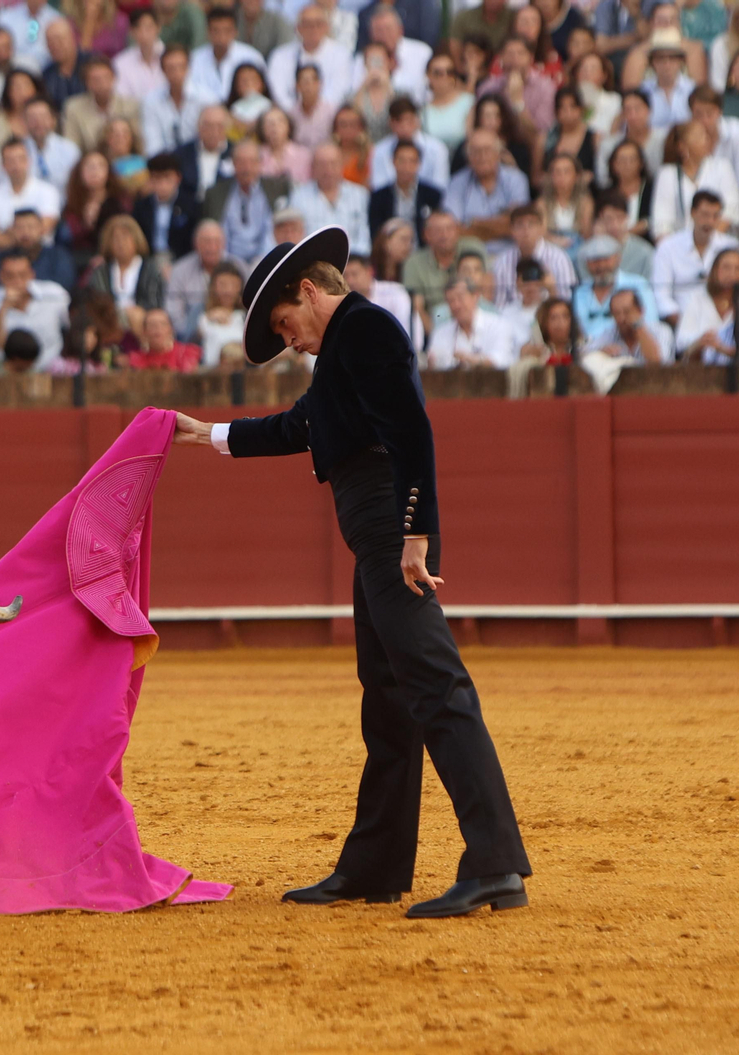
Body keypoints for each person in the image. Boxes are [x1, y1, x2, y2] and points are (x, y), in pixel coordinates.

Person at [172, 225, 531, 918]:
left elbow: (411, 430)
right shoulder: (343, 349)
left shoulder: (364, 332)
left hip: (389, 524)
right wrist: (208, 436)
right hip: (377, 528)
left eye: (285, 323)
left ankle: (495, 863)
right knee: (390, 698)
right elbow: (303, 425)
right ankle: (376, 864)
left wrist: (415, 535)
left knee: (435, 688)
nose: (289, 340)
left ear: (309, 291)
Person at [0, 247, 70, 368]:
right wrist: (3, 309)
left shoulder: (55, 296)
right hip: (8, 375)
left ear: (32, 274)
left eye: (22, 275)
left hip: (53, 373)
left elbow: (73, 331)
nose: (17, 281)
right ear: (0, 276)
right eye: (10, 276)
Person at [651, 189, 738, 321]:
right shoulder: (667, 247)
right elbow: (660, 294)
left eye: (715, 216)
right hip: (679, 320)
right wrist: (685, 323)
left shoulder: (732, 246)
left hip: (727, 319)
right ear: (692, 213)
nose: (710, 221)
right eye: (705, 215)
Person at [203, 138, 283, 262]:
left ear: (260, 163)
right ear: (233, 164)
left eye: (252, 162)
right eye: (241, 162)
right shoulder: (215, 193)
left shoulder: (276, 188)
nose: (247, 168)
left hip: (265, 260)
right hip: (226, 261)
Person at [580, 287, 670, 391]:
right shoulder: (610, 332)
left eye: (627, 312)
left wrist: (638, 326)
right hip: (622, 394)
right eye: (617, 313)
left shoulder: (661, 331)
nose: (622, 318)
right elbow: (583, 355)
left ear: (640, 310)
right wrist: (600, 352)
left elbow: (657, 364)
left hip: (657, 391)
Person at [291, 144, 372, 257]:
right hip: (313, 263)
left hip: (353, 261)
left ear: (342, 165)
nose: (328, 170)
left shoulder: (360, 195)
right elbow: (297, 237)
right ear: (313, 168)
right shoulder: (299, 197)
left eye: (333, 164)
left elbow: (365, 237)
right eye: (322, 164)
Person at [573, 234, 660, 337]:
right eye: (595, 261)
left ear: (618, 258)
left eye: (606, 260)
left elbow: (651, 323)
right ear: (587, 263)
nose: (601, 266)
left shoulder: (637, 284)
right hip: (588, 349)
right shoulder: (580, 291)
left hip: (626, 346)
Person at [267, 4, 350, 112]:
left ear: (326, 27)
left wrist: (315, 111)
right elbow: (278, 92)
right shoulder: (280, 56)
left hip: (328, 115)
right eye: (307, 24)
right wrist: (298, 112)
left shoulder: (341, 54)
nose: (313, 29)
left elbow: (339, 91)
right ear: (298, 28)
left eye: (318, 24)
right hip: (290, 116)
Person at [491, 204, 578, 307]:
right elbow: (499, 306)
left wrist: (552, 289)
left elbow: (568, 304)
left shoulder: (559, 258)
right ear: (512, 231)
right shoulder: (502, 262)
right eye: (520, 225)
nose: (526, 231)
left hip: (548, 318)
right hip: (514, 319)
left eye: (531, 224)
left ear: (541, 229)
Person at [427, 278, 518, 370]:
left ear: (475, 296)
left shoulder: (499, 325)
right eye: (451, 301)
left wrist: (470, 359)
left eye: (460, 298)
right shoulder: (441, 333)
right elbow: (436, 364)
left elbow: (500, 360)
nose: (456, 305)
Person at [368, 139, 441, 245]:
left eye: (412, 161)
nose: (406, 167)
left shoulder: (432, 195)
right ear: (393, 162)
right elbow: (375, 232)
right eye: (402, 161)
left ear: (419, 164)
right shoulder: (379, 197)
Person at [188, 5, 264, 104]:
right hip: (206, 113)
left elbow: (262, 90)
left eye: (227, 31)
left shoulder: (251, 57)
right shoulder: (194, 58)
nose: (221, 37)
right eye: (216, 31)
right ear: (207, 32)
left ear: (235, 32)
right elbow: (190, 91)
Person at [674, 247, 739, 360]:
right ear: (715, 270)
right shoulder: (698, 298)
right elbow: (681, 342)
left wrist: (722, 348)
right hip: (701, 369)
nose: (732, 274)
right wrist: (702, 341)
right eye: (726, 267)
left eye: (737, 268)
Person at [134, 154, 198, 262]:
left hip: (181, 259)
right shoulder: (141, 206)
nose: (162, 184)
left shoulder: (190, 205)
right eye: (157, 179)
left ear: (178, 178)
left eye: (167, 178)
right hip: (148, 259)